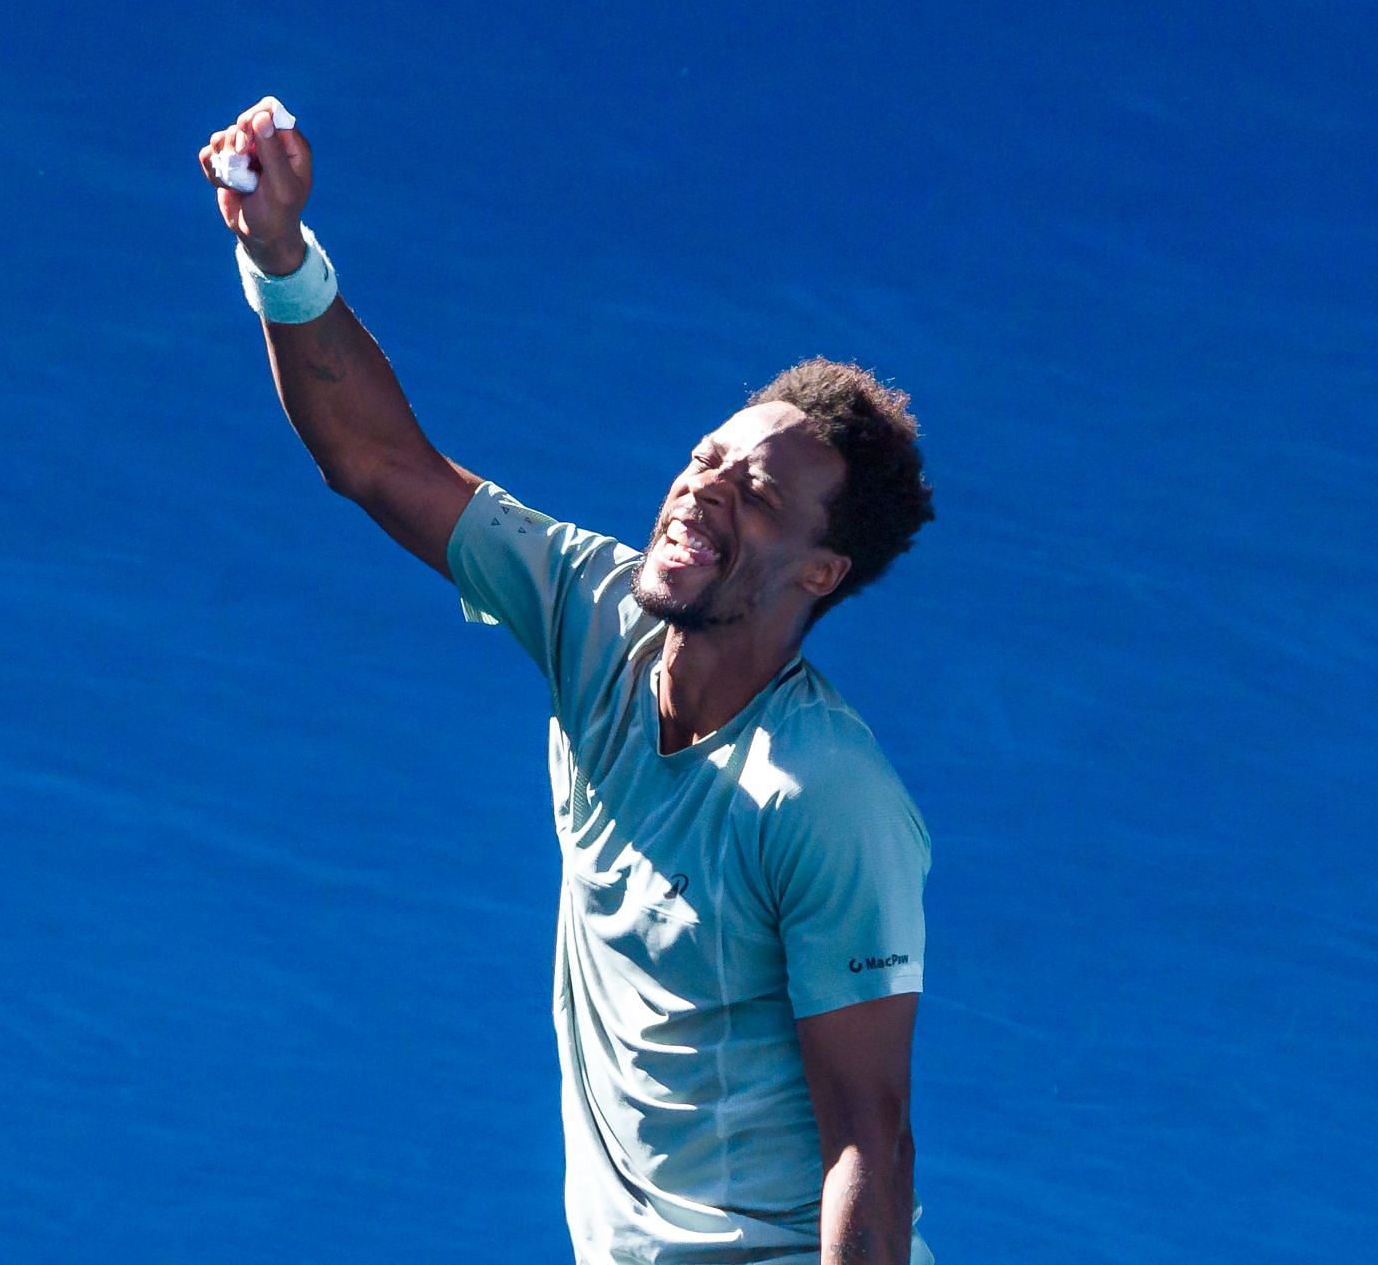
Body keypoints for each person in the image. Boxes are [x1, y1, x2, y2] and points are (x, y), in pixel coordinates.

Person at [201, 96, 938, 1265]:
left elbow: (871, 1140)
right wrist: (280, 258)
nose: (701, 487)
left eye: (754, 492)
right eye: (705, 456)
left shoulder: (826, 798)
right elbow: (379, 459)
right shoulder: (591, 615)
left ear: (823, 568)